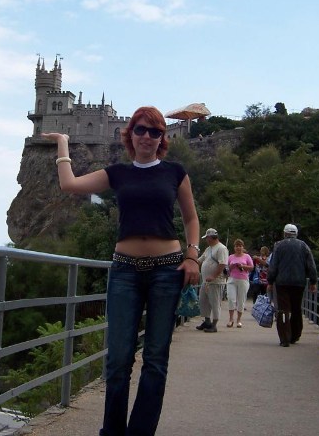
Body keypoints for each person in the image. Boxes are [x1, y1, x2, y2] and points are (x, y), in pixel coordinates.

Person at [42, 105, 200, 436]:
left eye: (155, 132)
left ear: (162, 138)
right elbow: (69, 184)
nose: (147, 136)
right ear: (130, 135)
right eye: (140, 130)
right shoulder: (118, 173)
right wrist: (63, 143)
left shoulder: (175, 172)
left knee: (155, 360)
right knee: (117, 361)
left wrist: (192, 256)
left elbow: (190, 218)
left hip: (166, 271)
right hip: (125, 271)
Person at [267, 224, 318, 347]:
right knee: (296, 308)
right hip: (299, 282)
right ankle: (295, 335)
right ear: (296, 233)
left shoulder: (278, 246)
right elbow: (311, 265)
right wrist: (313, 281)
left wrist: (270, 281)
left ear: (285, 233)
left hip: (282, 282)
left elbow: (273, 265)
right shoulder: (303, 246)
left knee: (283, 309)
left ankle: (284, 338)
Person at [195, 228, 228, 333]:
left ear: (210, 237)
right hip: (206, 281)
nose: (206, 240)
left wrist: (213, 276)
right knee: (203, 301)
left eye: (207, 238)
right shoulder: (209, 249)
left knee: (215, 303)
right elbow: (200, 259)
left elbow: (222, 264)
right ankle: (207, 321)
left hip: (216, 282)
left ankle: (214, 324)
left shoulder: (221, 248)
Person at [226, 239, 253, 327]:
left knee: (241, 300)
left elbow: (251, 267)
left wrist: (242, 266)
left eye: (240, 246)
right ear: (234, 247)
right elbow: (226, 269)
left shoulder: (247, 256)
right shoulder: (230, 257)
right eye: (236, 246)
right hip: (232, 279)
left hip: (243, 280)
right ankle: (231, 319)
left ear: (243, 247)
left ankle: (239, 319)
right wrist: (231, 266)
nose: (238, 248)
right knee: (231, 299)